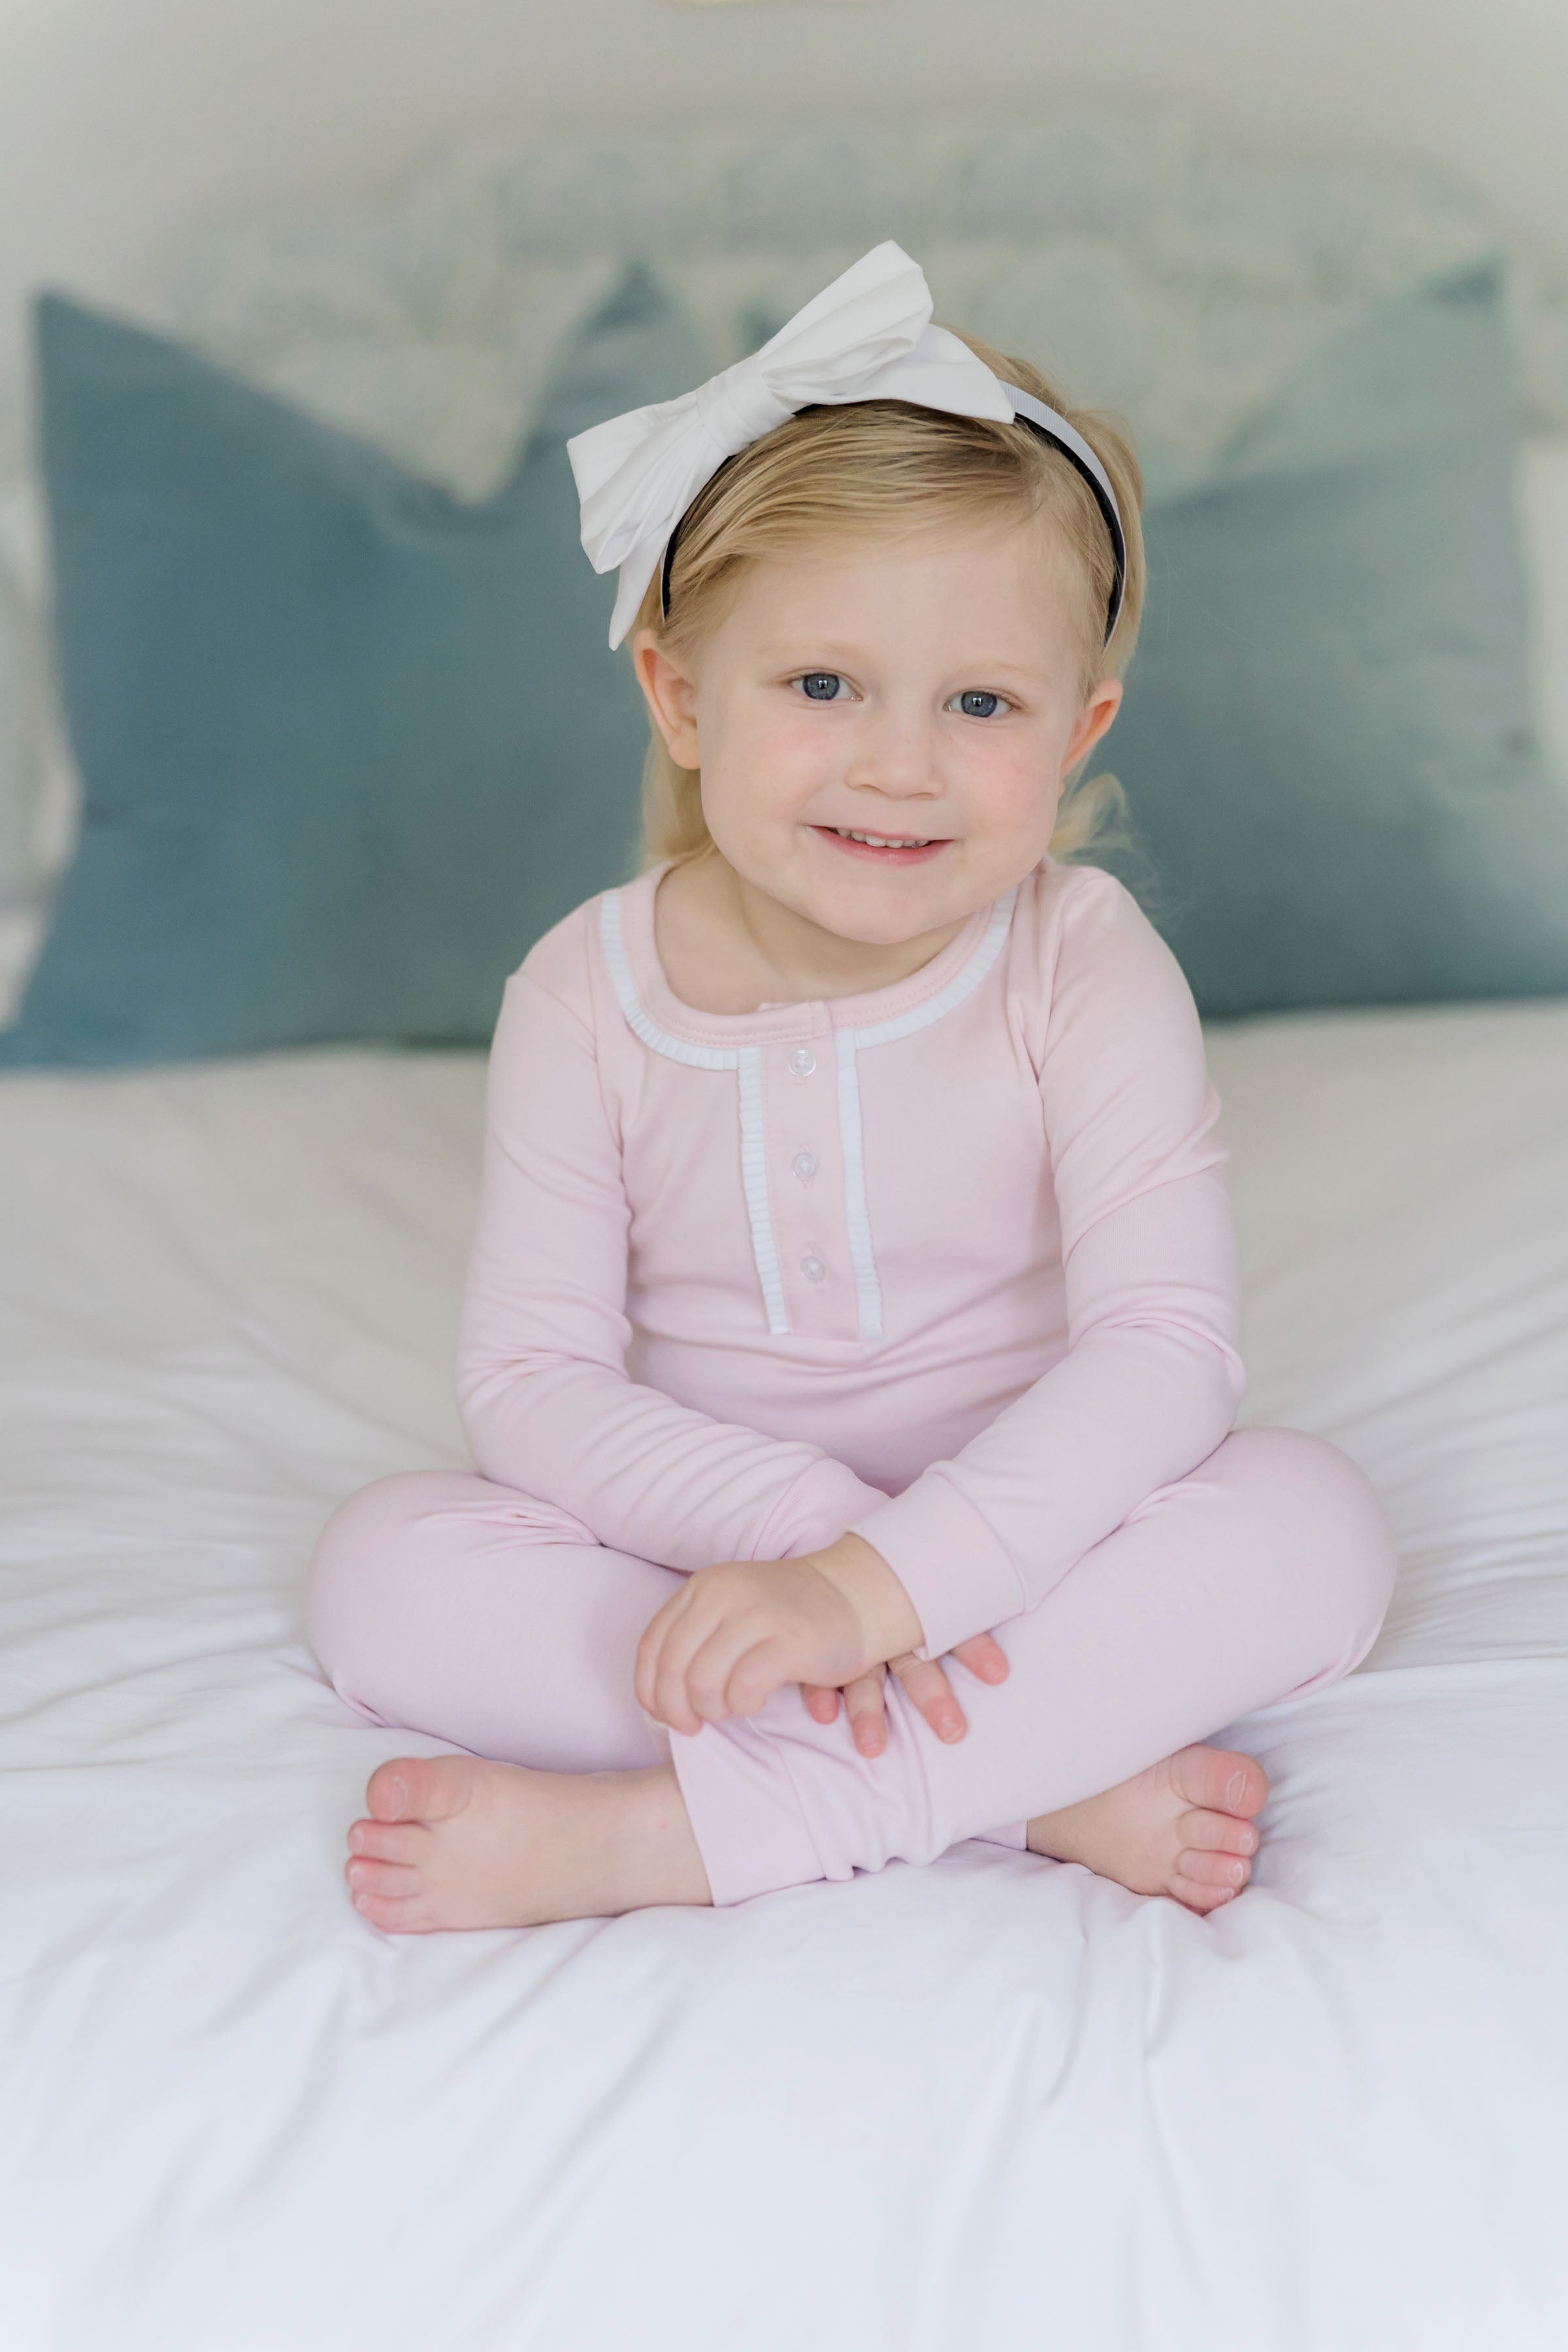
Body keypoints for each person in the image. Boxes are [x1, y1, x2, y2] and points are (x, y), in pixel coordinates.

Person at [305, 242, 1397, 1935]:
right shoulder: (584, 992)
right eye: (822, 686)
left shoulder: (1082, 961)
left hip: (1033, 1539)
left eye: (982, 702)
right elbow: (531, 1383)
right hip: (711, 1561)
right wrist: (813, 1551)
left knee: (1314, 1533)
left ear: (1080, 729)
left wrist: (893, 1585)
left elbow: (1165, 1354)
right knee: (383, 1577)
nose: (900, 763)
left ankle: (670, 1840)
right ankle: (1038, 1782)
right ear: (681, 695)